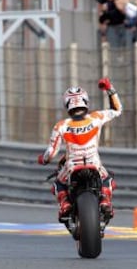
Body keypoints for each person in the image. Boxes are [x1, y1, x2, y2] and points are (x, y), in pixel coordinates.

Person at [37, 78, 122, 222]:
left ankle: (65, 204)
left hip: (72, 167)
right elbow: (117, 109)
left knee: (58, 183)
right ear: (85, 101)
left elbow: (51, 153)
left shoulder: (61, 126)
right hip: (94, 163)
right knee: (108, 179)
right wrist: (109, 88)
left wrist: (43, 160)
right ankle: (105, 200)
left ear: (67, 104)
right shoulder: (96, 118)